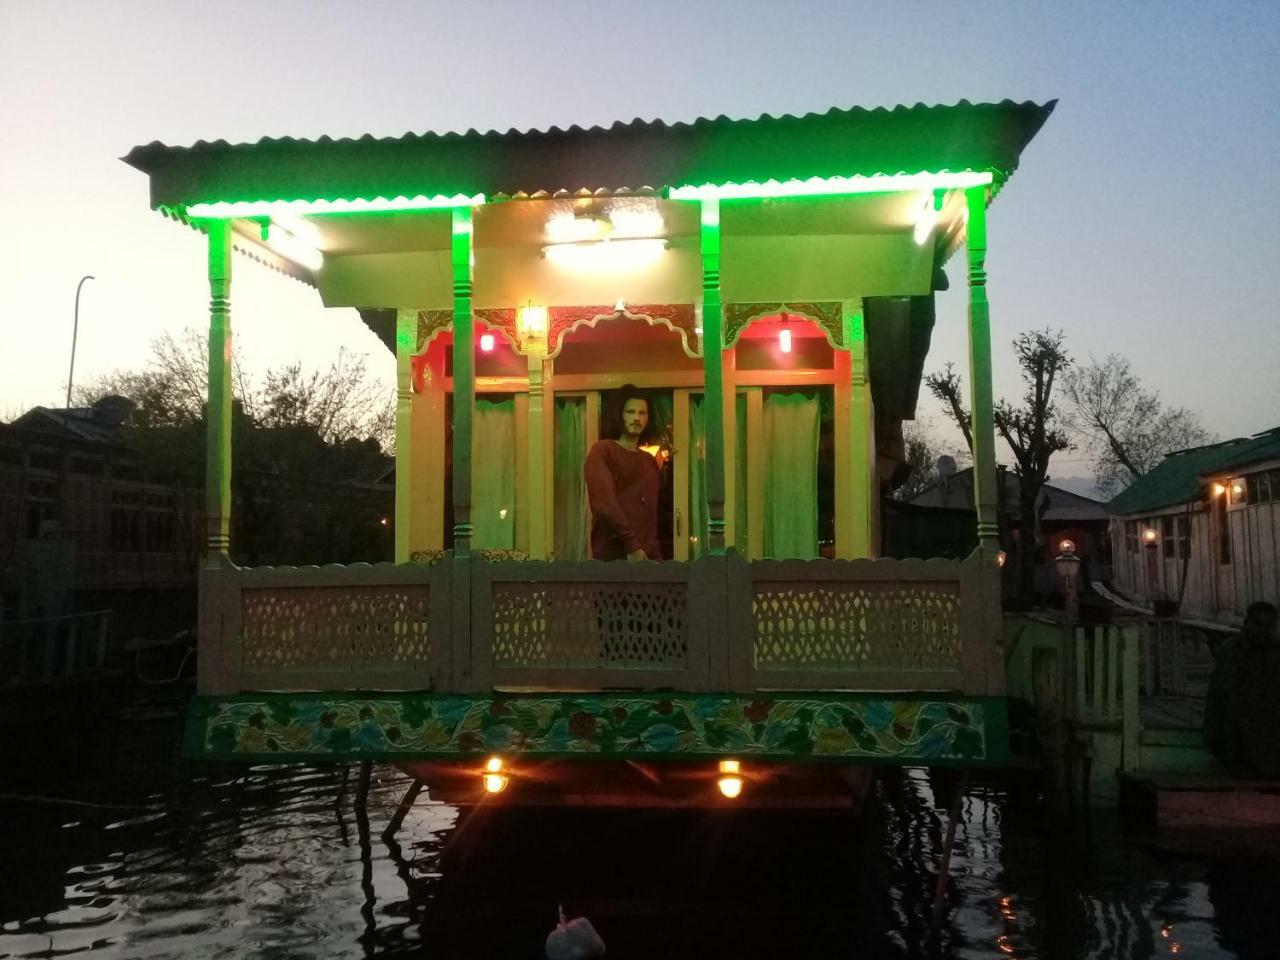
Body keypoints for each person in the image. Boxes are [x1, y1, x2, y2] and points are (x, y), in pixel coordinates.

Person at [584, 385, 661, 561]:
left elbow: (651, 516)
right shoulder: (603, 451)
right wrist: (632, 545)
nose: (636, 418)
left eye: (642, 413)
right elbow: (604, 505)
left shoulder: (649, 461)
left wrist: (654, 555)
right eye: (630, 412)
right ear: (620, 415)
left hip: (648, 558)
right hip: (613, 560)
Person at [1204, 600, 1280, 777]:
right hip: (1239, 725)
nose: (1263, 630)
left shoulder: (1275, 652)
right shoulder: (1231, 650)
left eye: (1269, 626)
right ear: (1247, 624)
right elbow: (1224, 693)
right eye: (1258, 624)